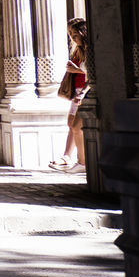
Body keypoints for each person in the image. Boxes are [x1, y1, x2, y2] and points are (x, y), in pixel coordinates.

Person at [50, 17, 89, 171]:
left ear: (83, 32)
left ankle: (80, 161)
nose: (72, 36)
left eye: (74, 33)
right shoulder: (77, 50)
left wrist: (76, 70)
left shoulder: (89, 50)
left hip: (85, 90)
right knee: (72, 124)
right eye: (70, 34)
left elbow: (92, 73)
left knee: (76, 126)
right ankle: (70, 157)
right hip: (78, 90)